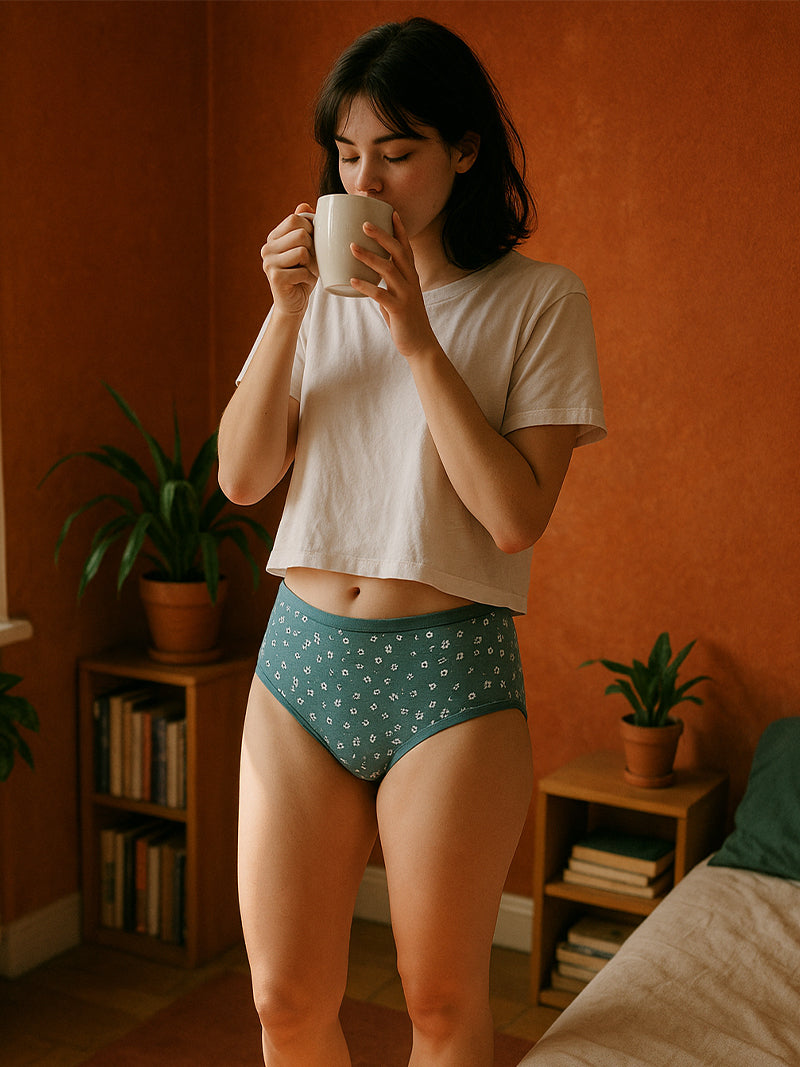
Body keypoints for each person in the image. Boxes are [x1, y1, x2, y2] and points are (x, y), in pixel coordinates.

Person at [218, 16, 605, 1067]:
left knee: (437, 1002)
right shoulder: (309, 304)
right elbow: (243, 476)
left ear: (463, 149)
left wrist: (415, 338)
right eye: (348, 156)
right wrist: (285, 312)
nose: (367, 181)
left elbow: (515, 516)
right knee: (285, 997)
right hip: (299, 659)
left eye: (397, 152)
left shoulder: (538, 300)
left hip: (447, 674)